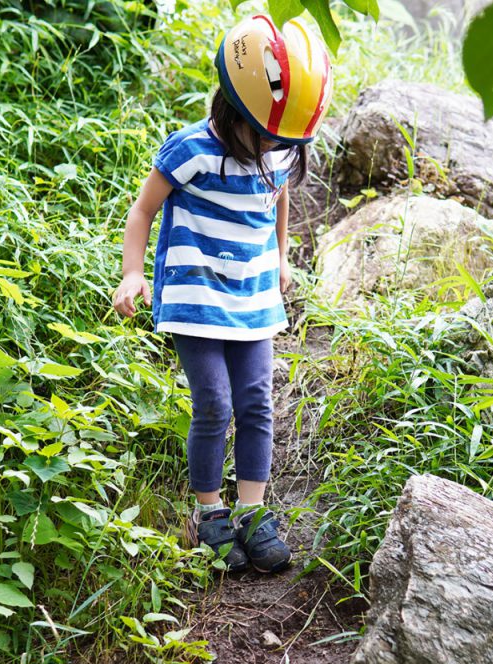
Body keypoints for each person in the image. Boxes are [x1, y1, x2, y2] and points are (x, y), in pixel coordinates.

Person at [112, 15, 333, 573]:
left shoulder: (279, 148)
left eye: (283, 143)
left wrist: (282, 256)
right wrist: (132, 272)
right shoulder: (190, 150)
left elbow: (279, 195)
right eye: (263, 137)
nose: (272, 149)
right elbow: (143, 210)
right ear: (232, 109)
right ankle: (209, 513)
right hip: (195, 294)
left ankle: (254, 513)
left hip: (254, 296)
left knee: (256, 401)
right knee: (213, 402)